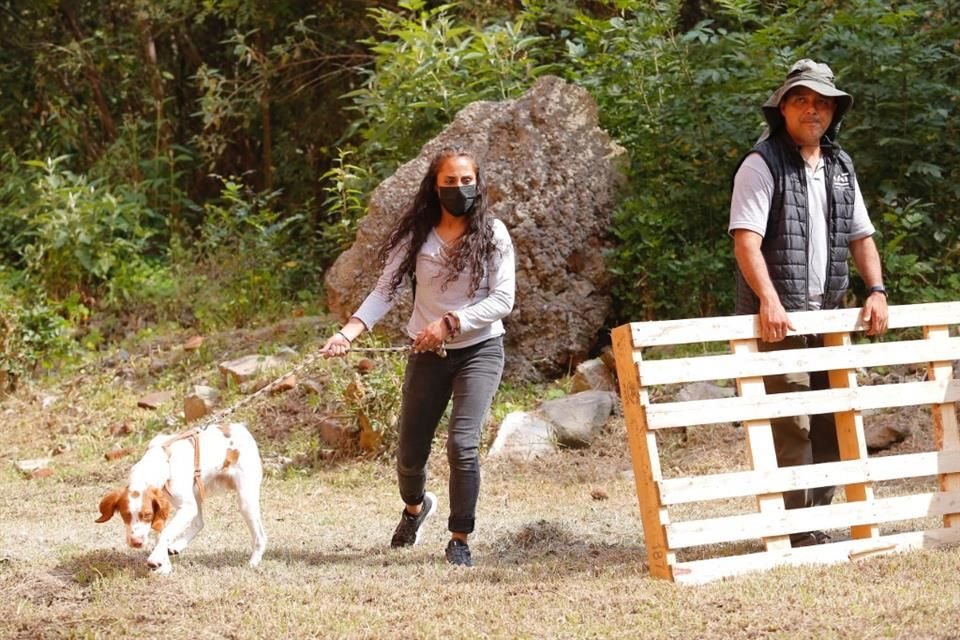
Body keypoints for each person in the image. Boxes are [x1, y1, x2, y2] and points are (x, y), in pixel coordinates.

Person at [320, 145, 515, 566]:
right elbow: (384, 290)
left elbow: (503, 299)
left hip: (480, 350)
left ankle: (460, 538)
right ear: (435, 186)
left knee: (463, 444)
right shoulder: (416, 235)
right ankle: (415, 508)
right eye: (450, 181)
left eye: (467, 181)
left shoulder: (494, 233)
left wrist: (451, 322)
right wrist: (348, 333)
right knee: (410, 454)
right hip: (427, 356)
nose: (460, 188)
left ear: (478, 184)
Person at [728, 59, 889, 547]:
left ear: (834, 111)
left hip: (831, 317)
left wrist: (877, 290)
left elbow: (861, 236)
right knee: (792, 423)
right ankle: (795, 528)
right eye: (802, 100)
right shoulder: (761, 164)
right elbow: (746, 241)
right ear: (783, 108)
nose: (812, 110)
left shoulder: (840, 166)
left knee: (833, 421)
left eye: (822, 102)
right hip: (778, 321)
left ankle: (812, 521)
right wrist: (770, 301)